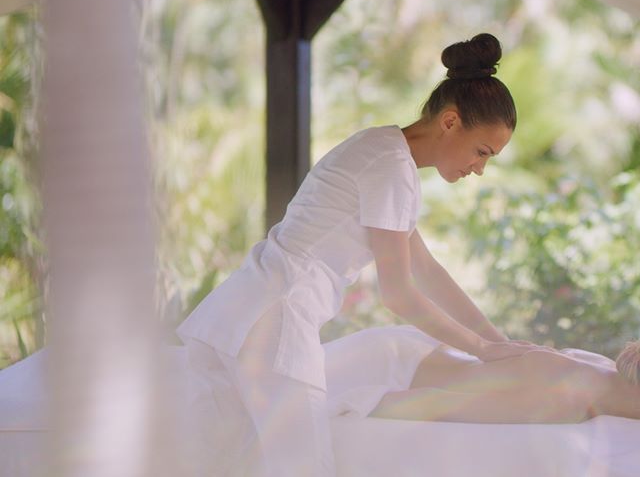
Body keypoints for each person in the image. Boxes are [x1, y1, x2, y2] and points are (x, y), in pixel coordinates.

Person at [175, 33, 538, 476]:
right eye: (482, 152)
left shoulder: (382, 150)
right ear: (450, 121)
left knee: (217, 468)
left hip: (233, 316)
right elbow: (399, 293)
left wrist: (497, 345)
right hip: (274, 324)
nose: (480, 168)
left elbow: (426, 269)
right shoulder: (390, 167)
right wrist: (482, 348)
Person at [323, 325, 640, 424]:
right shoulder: (566, 400)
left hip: (415, 352)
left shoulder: (605, 373)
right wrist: (346, 406)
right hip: (390, 366)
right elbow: (443, 405)